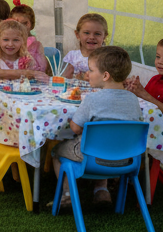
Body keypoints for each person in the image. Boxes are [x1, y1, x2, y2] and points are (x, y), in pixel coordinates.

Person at [53, 45, 141, 208]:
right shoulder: (133, 99)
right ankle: (102, 191)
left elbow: (75, 128)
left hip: (92, 159)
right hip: (126, 159)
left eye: (91, 70)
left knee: (56, 151)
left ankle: (67, 195)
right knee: (105, 143)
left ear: (105, 75)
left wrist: (77, 123)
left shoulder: (92, 99)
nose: (88, 73)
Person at [63, 13, 108, 80]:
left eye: (97, 34)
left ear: (104, 36)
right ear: (77, 34)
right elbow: (62, 76)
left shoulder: (106, 59)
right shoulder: (71, 56)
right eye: (87, 33)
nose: (92, 37)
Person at [9, 3, 49, 73]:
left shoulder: (36, 45)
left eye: (24, 23)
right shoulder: (9, 42)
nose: (20, 27)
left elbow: (42, 67)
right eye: (15, 24)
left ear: (30, 24)